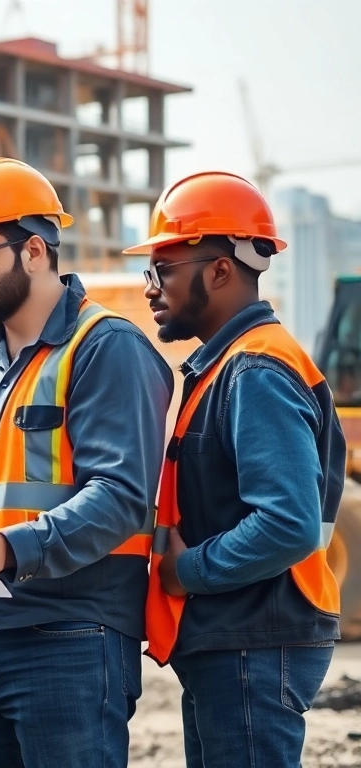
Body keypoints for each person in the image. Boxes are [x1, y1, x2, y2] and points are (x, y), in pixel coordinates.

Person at [0, 157, 173, 768]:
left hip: (69, 640)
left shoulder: (106, 348)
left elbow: (123, 495)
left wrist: (8, 550)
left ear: (33, 250)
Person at [131, 171, 343, 768]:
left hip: (254, 639)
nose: (150, 287)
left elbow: (287, 524)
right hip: (238, 636)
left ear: (221, 269)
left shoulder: (256, 369)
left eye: (163, 269)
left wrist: (183, 572)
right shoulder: (229, 366)